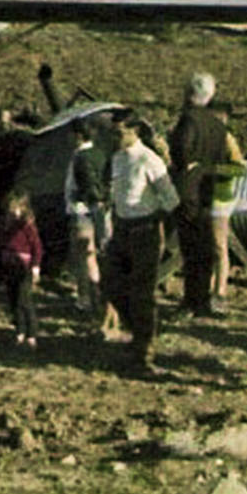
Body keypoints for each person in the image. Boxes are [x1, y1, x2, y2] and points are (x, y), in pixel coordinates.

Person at [102, 111, 179, 378]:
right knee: (111, 284)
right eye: (113, 132)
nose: (116, 137)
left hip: (146, 228)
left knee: (142, 293)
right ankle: (139, 333)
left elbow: (170, 199)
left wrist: (162, 230)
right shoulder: (116, 159)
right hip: (122, 228)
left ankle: (144, 352)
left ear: (134, 131)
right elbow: (115, 196)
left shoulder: (149, 160)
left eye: (120, 132)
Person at [168, 72, 230, 318]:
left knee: (190, 249)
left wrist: (183, 162)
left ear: (188, 93)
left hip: (188, 191)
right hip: (209, 190)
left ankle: (190, 301)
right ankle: (203, 299)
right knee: (205, 249)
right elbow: (222, 160)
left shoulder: (188, 120)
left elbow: (181, 153)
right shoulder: (217, 125)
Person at [63, 112, 116, 332]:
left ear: (77, 135)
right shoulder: (99, 153)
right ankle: (90, 296)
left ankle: (87, 297)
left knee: (85, 256)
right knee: (91, 254)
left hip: (83, 210)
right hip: (99, 211)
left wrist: (81, 198)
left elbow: (88, 188)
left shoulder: (80, 157)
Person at [207, 105, 247, 307]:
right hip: (204, 197)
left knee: (219, 244)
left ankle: (220, 291)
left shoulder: (227, 140)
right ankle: (210, 287)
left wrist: (214, 170)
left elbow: (240, 169)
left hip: (220, 198)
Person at [0, 191, 44, 349]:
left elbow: (37, 247)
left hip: (23, 267)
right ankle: (20, 331)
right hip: (9, 265)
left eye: (15, 209)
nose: (12, 212)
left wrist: (35, 267)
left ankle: (32, 334)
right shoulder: (7, 223)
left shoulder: (27, 225)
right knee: (13, 299)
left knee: (24, 300)